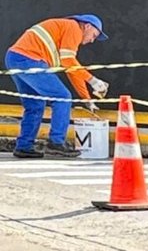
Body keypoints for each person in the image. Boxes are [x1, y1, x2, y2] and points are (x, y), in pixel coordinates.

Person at [5, 14, 110, 158]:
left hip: (15, 58)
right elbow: (68, 61)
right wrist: (93, 81)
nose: (92, 40)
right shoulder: (74, 28)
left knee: (35, 105)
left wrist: (87, 99)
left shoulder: (65, 28)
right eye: (94, 35)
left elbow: (72, 71)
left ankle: (24, 146)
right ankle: (56, 142)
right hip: (30, 59)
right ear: (87, 26)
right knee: (62, 97)